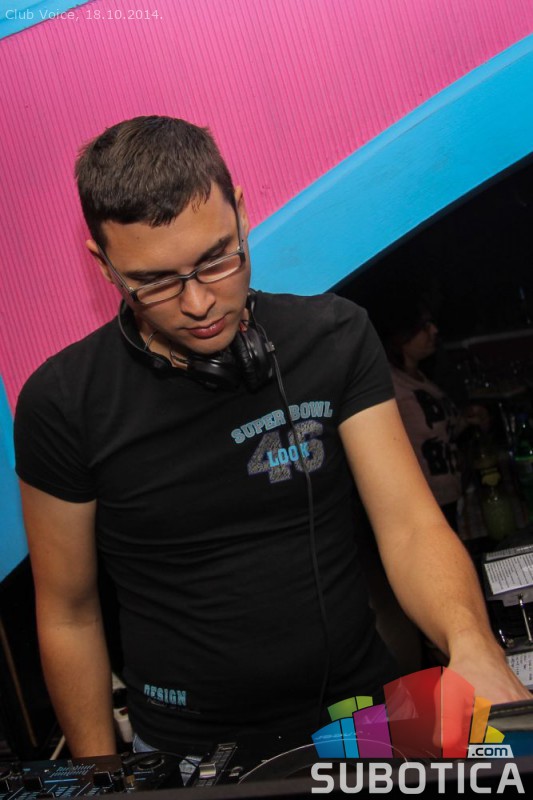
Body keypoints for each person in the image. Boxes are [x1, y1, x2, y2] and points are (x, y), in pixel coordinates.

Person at [14, 116, 529, 759]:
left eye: (216, 260)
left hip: (363, 716)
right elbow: (69, 612)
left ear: (241, 212)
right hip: (185, 750)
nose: (198, 303)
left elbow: (408, 524)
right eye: (156, 281)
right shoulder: (63, 402)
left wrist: (471, 645)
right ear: (105, 265)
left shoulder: (334, 338)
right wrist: (104, 777)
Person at [376, 294, 490, 531]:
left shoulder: (421, 378)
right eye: (424, 325)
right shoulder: (388, 383)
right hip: (424, 505)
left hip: (450, 495)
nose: (434, 330)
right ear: (401, 335)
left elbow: (435, 433)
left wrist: (465, 420)